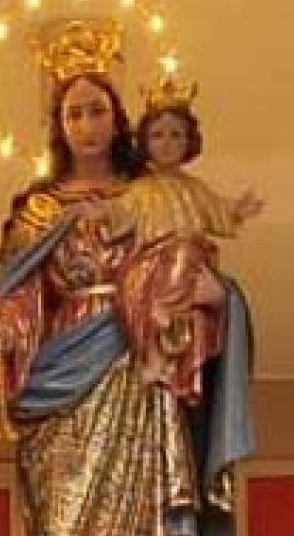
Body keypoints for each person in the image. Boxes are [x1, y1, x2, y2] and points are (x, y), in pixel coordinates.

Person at [0, 47, 255, 536]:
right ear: (58, 124)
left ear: (118, 118)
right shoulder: (40, 210)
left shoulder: (152, 195)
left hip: (137, 377)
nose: (86, 124)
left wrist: (216, 298)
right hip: (59, 391)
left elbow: (194, 269)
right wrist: (3, 335)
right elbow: (16, 297)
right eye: (73, 112)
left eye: (97, 109)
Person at [95, 89, 264, 405]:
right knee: (174, 262)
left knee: (204, 296)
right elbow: (118, 216)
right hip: (152, 265)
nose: (167, 143)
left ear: (189, 142)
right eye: (158, 135)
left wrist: (238, 210)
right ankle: (156, 343)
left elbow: (217, 210)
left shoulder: (194, 188)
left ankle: (178, 363)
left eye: (176, 135)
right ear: (145, 142)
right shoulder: (139, 190)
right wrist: (100, 213)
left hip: (191, 265)